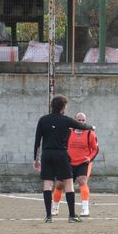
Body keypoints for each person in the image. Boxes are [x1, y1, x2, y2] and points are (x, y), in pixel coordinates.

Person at [33, 95, 94, 223]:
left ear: (52, 106)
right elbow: (81, 126)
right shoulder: (66, 120)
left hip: (46, 154)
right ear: (63, 107)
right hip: (61, 154)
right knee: (68, 183)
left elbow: (37, 141)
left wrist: (36, 159)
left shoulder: (43, 120)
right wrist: (91, 127)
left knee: (48, 184)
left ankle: (48, 216)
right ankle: (72, 216)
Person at [51, 111, 99, 217]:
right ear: (75, 121)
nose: (81, 122)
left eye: (83, 120)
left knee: (82, 181)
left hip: (83, 162)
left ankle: (85, 209)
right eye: (79, 120)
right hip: (68, 162)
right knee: (60, 184)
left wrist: (89, 158)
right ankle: (55, 207)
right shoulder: (68, 132)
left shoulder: (90, 133)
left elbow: (95, 149)